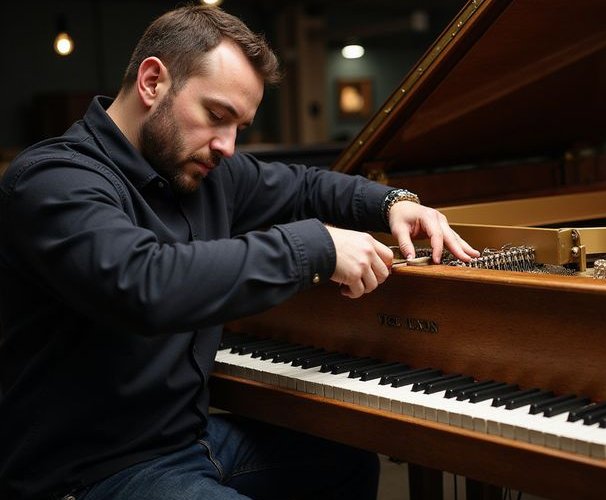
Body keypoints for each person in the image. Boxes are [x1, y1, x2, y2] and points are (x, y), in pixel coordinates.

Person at [0, 5, 479, 500]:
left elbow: (305, 186)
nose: (228, 146)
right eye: (216, 116)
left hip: (184, 443)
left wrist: (392, 203)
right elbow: (143, 283)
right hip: (86, 473)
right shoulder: (53, 179)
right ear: (152, 82)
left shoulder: (203, 171)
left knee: (347, 462)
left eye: (239, 127)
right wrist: (317, 246)